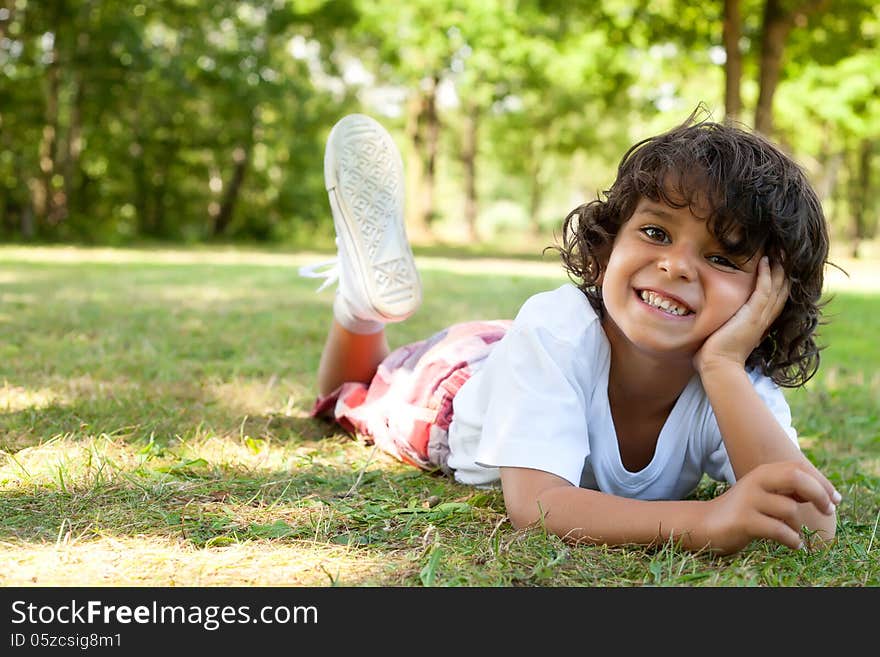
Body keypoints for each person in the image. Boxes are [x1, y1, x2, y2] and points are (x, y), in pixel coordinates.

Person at [300, 110, 840, 556]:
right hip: (459, 386)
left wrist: (721, 365)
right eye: (655, 232)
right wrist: (706, 521)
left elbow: (811, 524)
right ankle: (361, 306)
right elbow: (537, 506)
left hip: (528, 358)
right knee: (356, 390)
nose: (675, 266)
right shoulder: (557, 329)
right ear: (607, 250)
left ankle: (361, 304)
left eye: (721, 256)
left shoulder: (737, 384)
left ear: (766, 299)